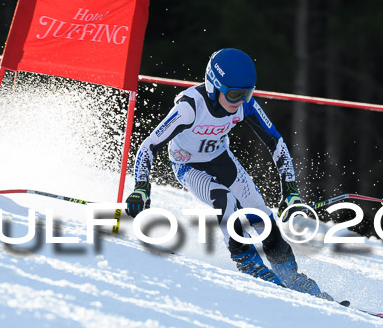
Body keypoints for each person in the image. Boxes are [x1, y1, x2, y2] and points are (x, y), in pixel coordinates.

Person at [125, 48, 333, 300]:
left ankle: (291, 276)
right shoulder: (190, 108)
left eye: (248, 93)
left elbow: (276, 143)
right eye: (235, 94)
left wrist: (290, 191)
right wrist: (141, 187)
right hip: (189, 166)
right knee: (225, 201)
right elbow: (148, 146)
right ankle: (251, 266)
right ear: (214, 85)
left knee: (261, 216)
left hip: (222, 160)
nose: (241, 101)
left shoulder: (244, 106)